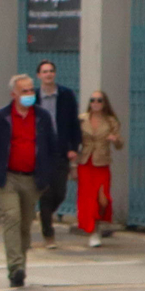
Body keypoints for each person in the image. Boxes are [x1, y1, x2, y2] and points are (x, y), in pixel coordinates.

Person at [0, 72, 63, 289]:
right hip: (8, 177)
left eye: (31, 90)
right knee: (12, 218)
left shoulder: (42, 117)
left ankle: (21, 266)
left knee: (25, 224)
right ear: (13, 94)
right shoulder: (1, 118)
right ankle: (15, 267)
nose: (29, 94)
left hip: (32, 179)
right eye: (24, 91)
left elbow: (52, 149)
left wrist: (49, 175)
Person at [32, 61, 78, 249]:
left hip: (60, 150)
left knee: (59, 192)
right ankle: (48, 233)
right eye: (45, 72)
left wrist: (73, 146)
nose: (48, 74)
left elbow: (73, 123)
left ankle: (46, 212)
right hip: (40, 152)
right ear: (39, 76)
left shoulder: (66, 95)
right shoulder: (33, 97)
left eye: (51, 71)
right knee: (45, 192)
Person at [75, 91, 122, 247]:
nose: (95, 103)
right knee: (88, 199)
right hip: (86, 162)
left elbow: (120, 144)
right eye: (93, 100)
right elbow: (74, 138)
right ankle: (94, 231)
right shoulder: (82, 119)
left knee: (103, 199)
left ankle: (99, 223)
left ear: (104, 103)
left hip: (102, 163)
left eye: (99, 100)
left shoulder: (111, 121)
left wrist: (115, 140)